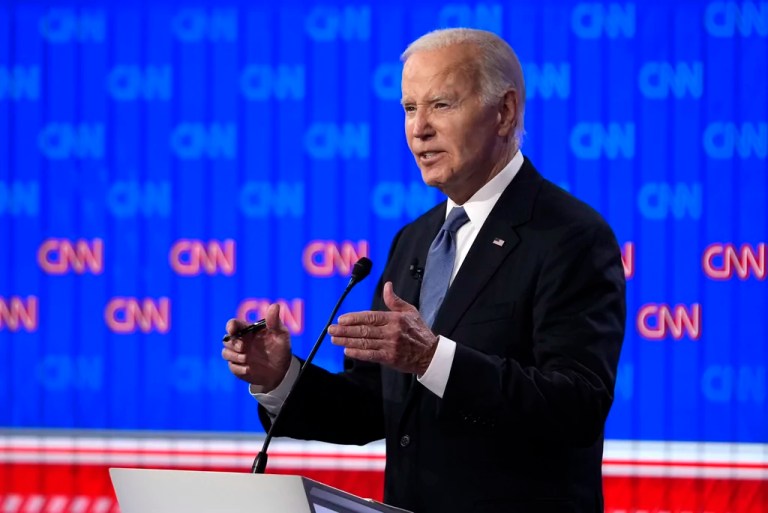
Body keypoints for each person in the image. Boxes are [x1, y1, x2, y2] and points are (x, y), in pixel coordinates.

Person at [222, 28, 625, 513]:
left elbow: (577, 406)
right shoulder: (415, 239)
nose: (419, 129)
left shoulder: (569, 236)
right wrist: (281, 378)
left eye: (441, 105)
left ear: (505, 112)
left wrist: (432, 358)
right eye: (409, 108)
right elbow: (373, 405)